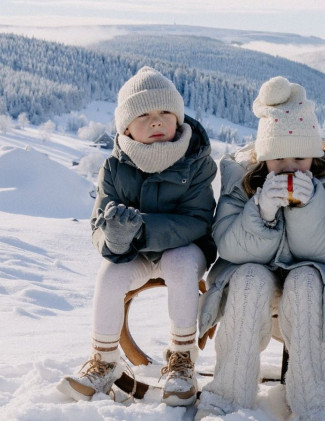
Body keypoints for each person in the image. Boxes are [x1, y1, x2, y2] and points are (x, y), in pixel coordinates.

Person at [196, 76, 325, 420]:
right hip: (253, 276)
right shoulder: (241, 179)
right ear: (263, 157)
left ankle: (316, 405)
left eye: (300, 156)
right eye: (278, 159)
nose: (289, 167)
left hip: (314, 280)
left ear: (314, 154)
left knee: (306, 282)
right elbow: (228, 246)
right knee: (250, 279)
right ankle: (226, 398)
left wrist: (308, 207)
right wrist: (261, 211)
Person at [57, 67, 217, 407]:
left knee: (179, 263)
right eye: (144, 115)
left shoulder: (196, 161)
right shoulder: (114, 168)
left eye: (164, 113)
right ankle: (104, 361)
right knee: (111, 275)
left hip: (186, 247)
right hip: (136, 252)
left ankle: (182, 359)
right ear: (126, 127)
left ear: (178, 118)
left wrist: (141, 229)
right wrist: (115, 238)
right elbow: (99, 226)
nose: (156, 122)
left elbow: (198, 220)